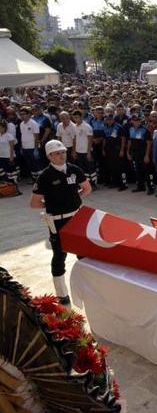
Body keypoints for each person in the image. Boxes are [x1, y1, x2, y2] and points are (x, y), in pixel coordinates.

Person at [30, 139, 92, 305]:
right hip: (57, 221)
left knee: (83, 253)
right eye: (57, 153)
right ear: (49, 156)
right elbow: (34, 203)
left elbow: (87, 188)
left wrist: (74, 197)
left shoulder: (74, 169)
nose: (61, 156)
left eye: (63, 152)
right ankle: (61, 293)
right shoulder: (44, 176)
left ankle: (89, 287)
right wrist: (53, 204)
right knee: (59, 255)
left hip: (77, 217)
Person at [126, 115, 154, 194]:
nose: (136, 122)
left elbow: (149, 143)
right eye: (134, 120)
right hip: (135, 154)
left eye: (138, 120)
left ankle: (151, 188)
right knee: (138, 171)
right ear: (132, 121)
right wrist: (128, 152)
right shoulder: (130, 129)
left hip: (143, 154)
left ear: (140, 121)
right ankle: (140, 186)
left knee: (147, 171)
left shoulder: (145, 130)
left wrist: (147, 155)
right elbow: (129, 141)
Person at [71, 111, 96, 188]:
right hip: (78, 151)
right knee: (81, 169)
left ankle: (93, 184)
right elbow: (74, 139)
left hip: (86, 151)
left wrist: (88, 152)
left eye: (77, 117)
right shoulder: (74, 126)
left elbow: (90, 140)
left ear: (81, 117)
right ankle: (84, 184)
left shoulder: (87, 126)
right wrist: (74, 151)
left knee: (90, 169)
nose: (76, 119)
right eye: (74, 118)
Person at [19, 107, 42, 182]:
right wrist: (22, 148)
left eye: (24, 114)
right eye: (21, 114)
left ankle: (40, 181)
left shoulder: (33, 123)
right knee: (30, 165)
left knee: (36, 165)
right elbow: (23, 136)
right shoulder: (21, 124)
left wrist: (35, 149)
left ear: (28, 114)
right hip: (25, 147)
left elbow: (36, 136)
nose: (22, 116)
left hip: (32, 147)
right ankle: (34, 179)